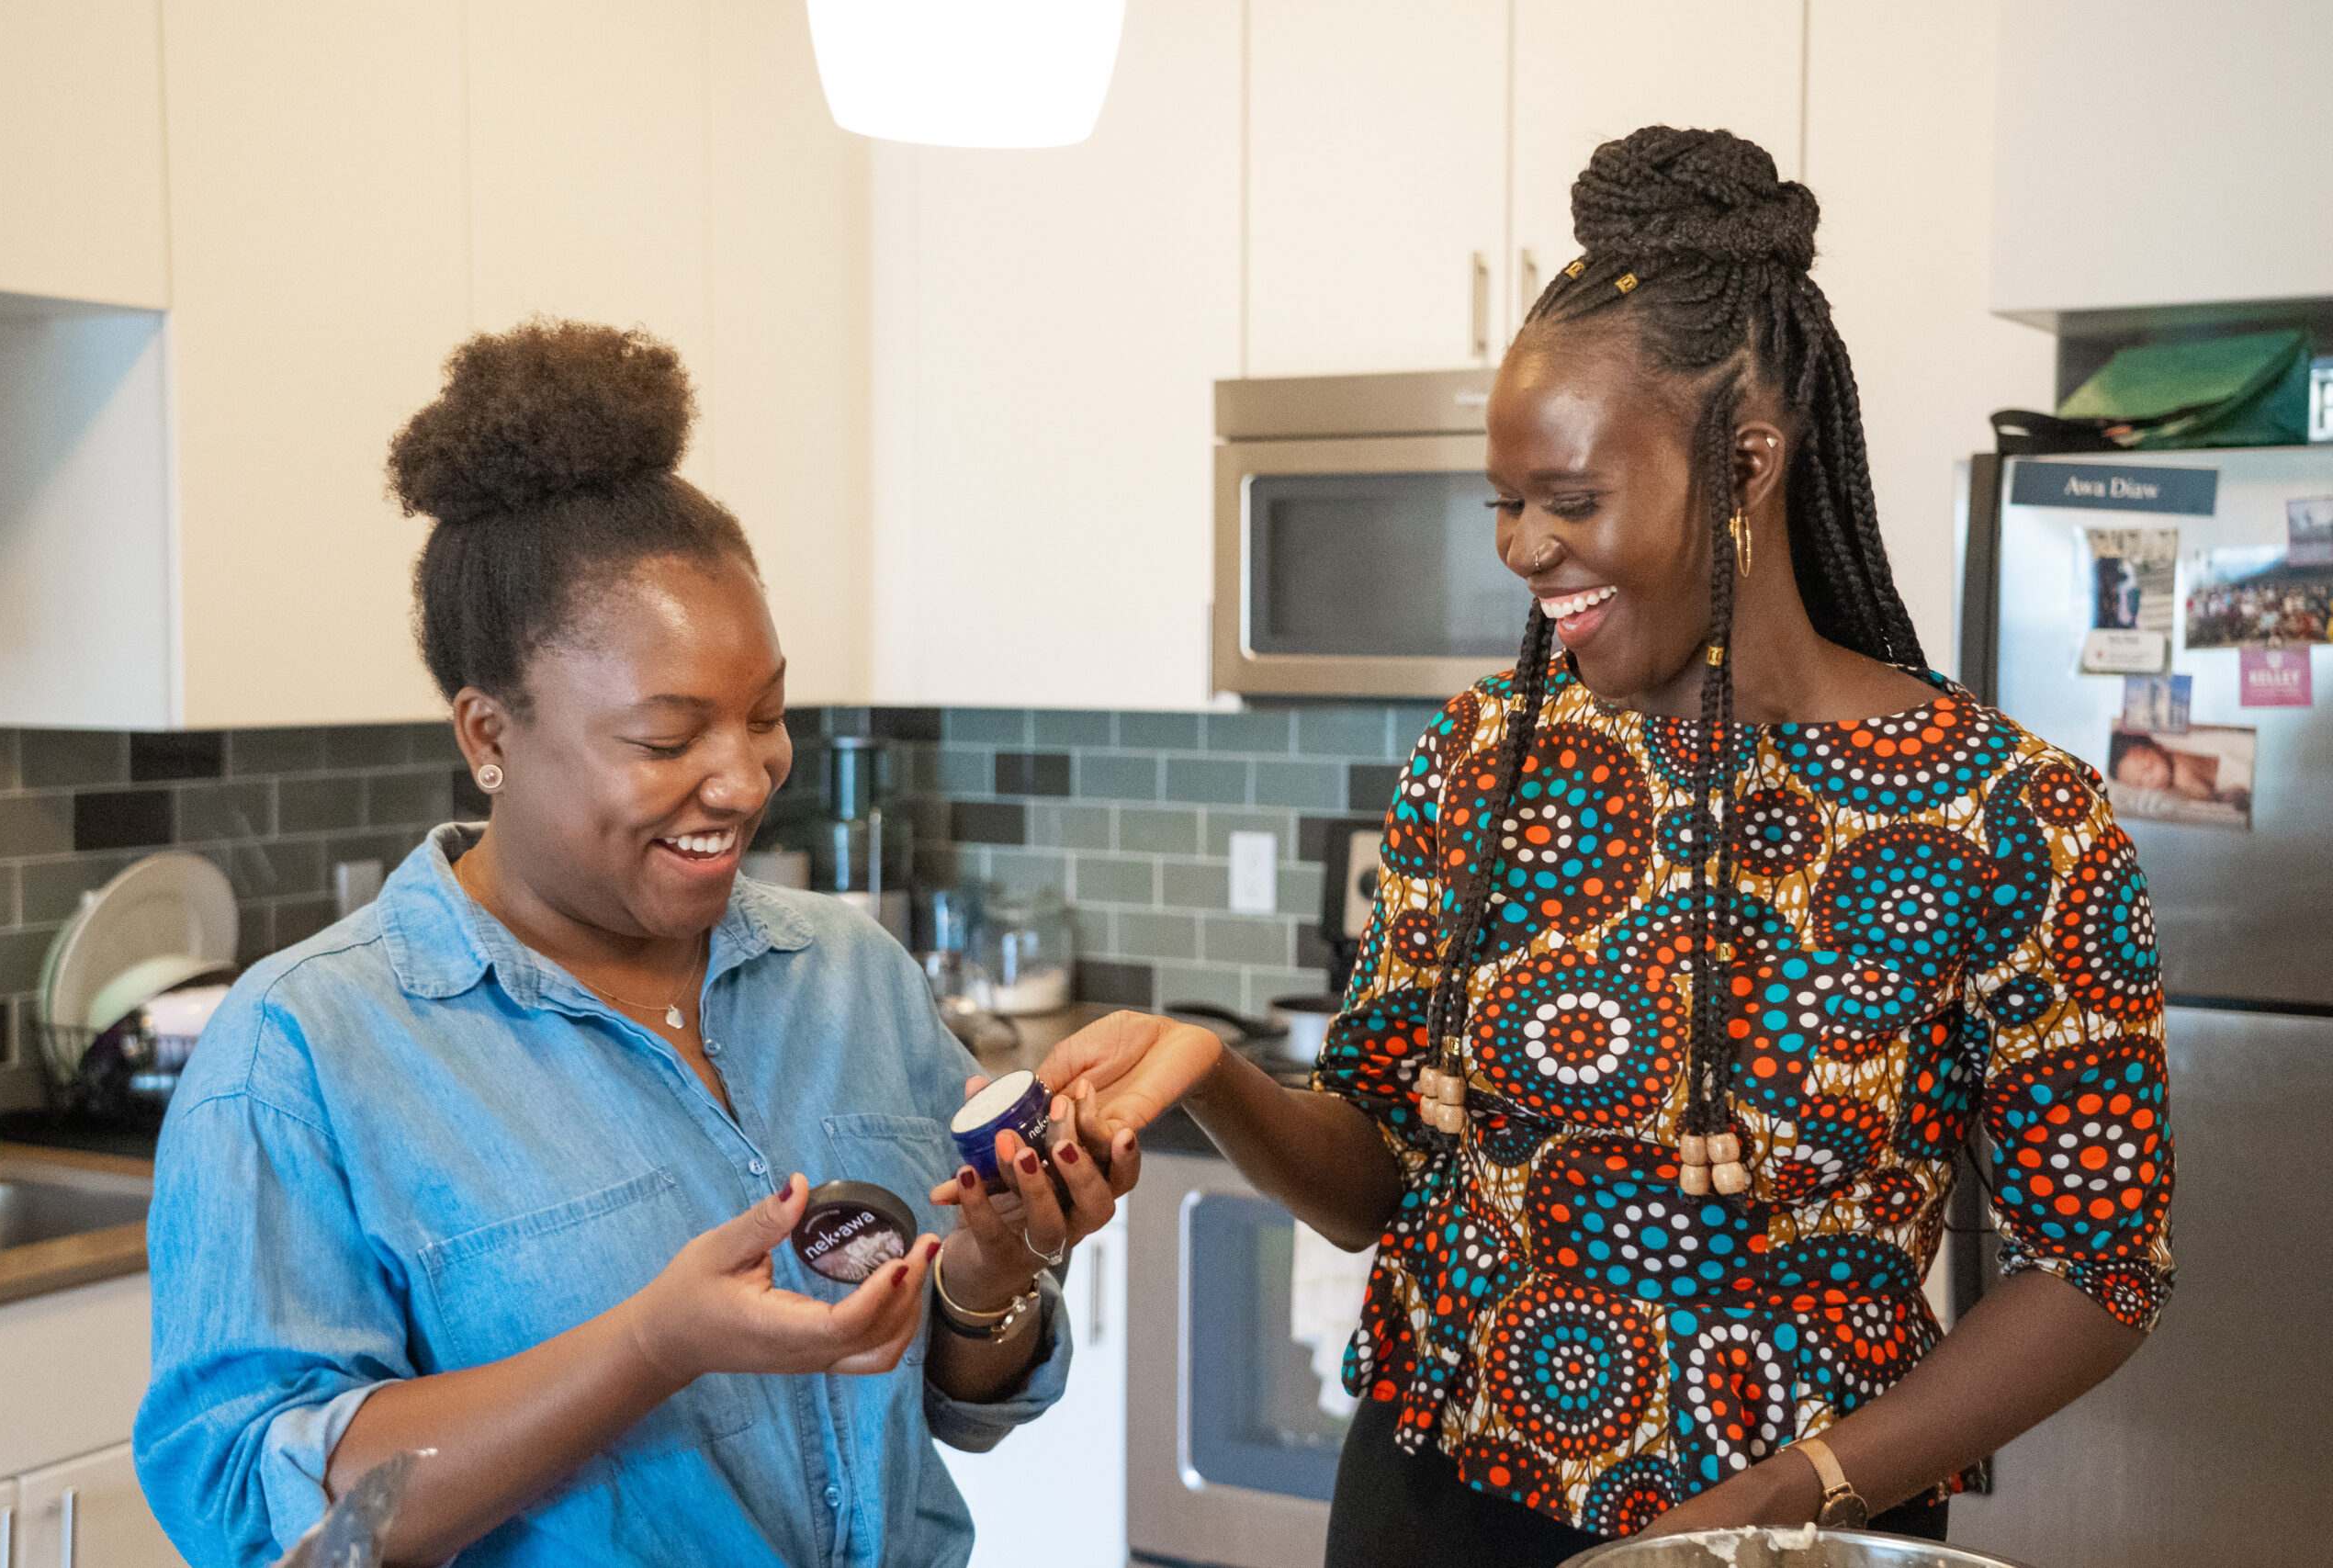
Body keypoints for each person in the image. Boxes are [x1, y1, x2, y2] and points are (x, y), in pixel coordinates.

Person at [1042, 128, 2174, 1565]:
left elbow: (2099, 1268)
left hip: (1787, 1536)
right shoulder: (1483, 758)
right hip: (1426, 1503)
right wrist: (1212, 1074)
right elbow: (1380, 1184)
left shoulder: (2011, 817)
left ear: (1748, 462)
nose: (1522, 550)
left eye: (1570, 502)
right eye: (1505, 507)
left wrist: (1781, 1499)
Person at [133, 321, 1133, 1567]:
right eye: (668, 741)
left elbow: (953, 1402)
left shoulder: (850, 977)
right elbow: (263, 1520)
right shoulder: (302, 1056)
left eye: (767, 715)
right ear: (489, 734)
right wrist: (648, 1348)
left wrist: (999, 1267)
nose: (744, 777)